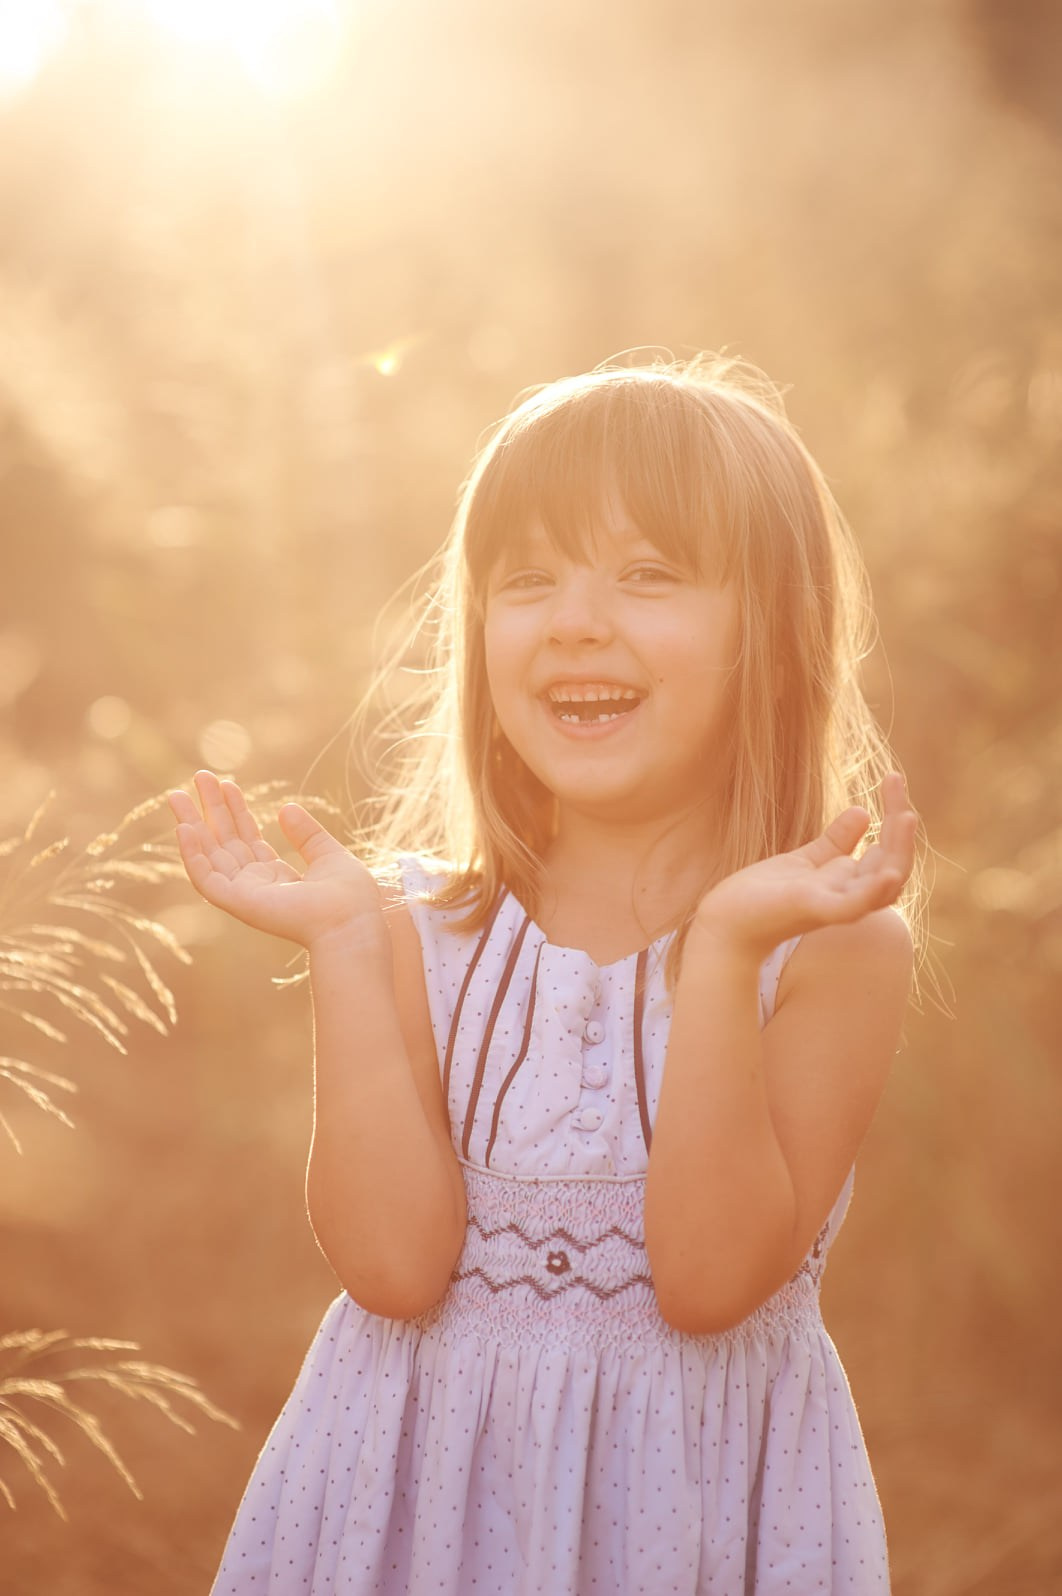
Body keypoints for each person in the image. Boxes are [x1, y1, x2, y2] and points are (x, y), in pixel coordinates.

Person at [168, 354, 921, 1595]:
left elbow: (708, 1281)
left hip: (680, 1524)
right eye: (528, 581)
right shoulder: (421, 931)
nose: (576, 618)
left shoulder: (827, 950)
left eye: (647, 575)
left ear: (772, 640)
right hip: (410, 1525)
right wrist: (352, 953)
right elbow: (393, 1271)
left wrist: (725, 953)